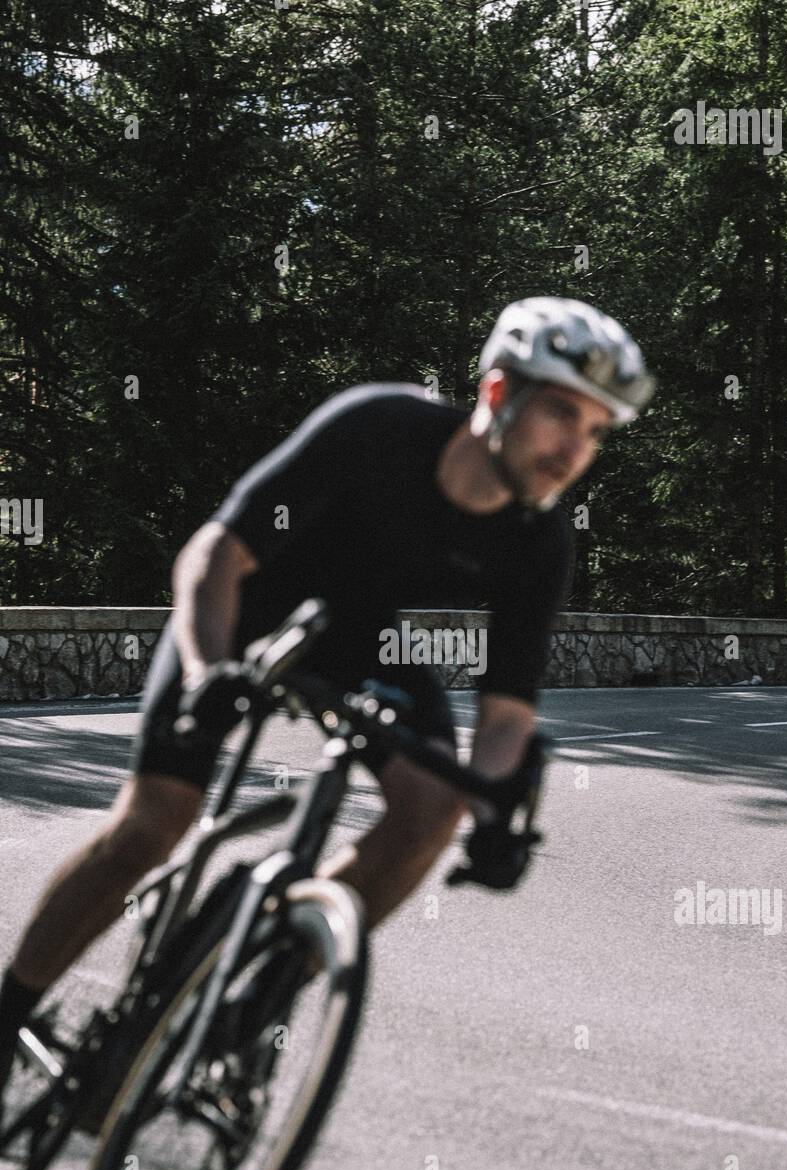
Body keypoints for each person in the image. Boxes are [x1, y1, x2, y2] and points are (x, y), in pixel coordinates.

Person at [0, 296, 654, 1109]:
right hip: (241, 605)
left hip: (353, 639)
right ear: (496, 396)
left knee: (434, 804)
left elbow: (507, 715)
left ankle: (255, 1002)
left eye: (596, 432)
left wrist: (494, 812)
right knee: (154, 822)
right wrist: (208, 675)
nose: (573, 449)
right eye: (562, 413)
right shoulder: (379, 427)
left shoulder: (538, 539)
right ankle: (10, 1012)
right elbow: (215, 553)